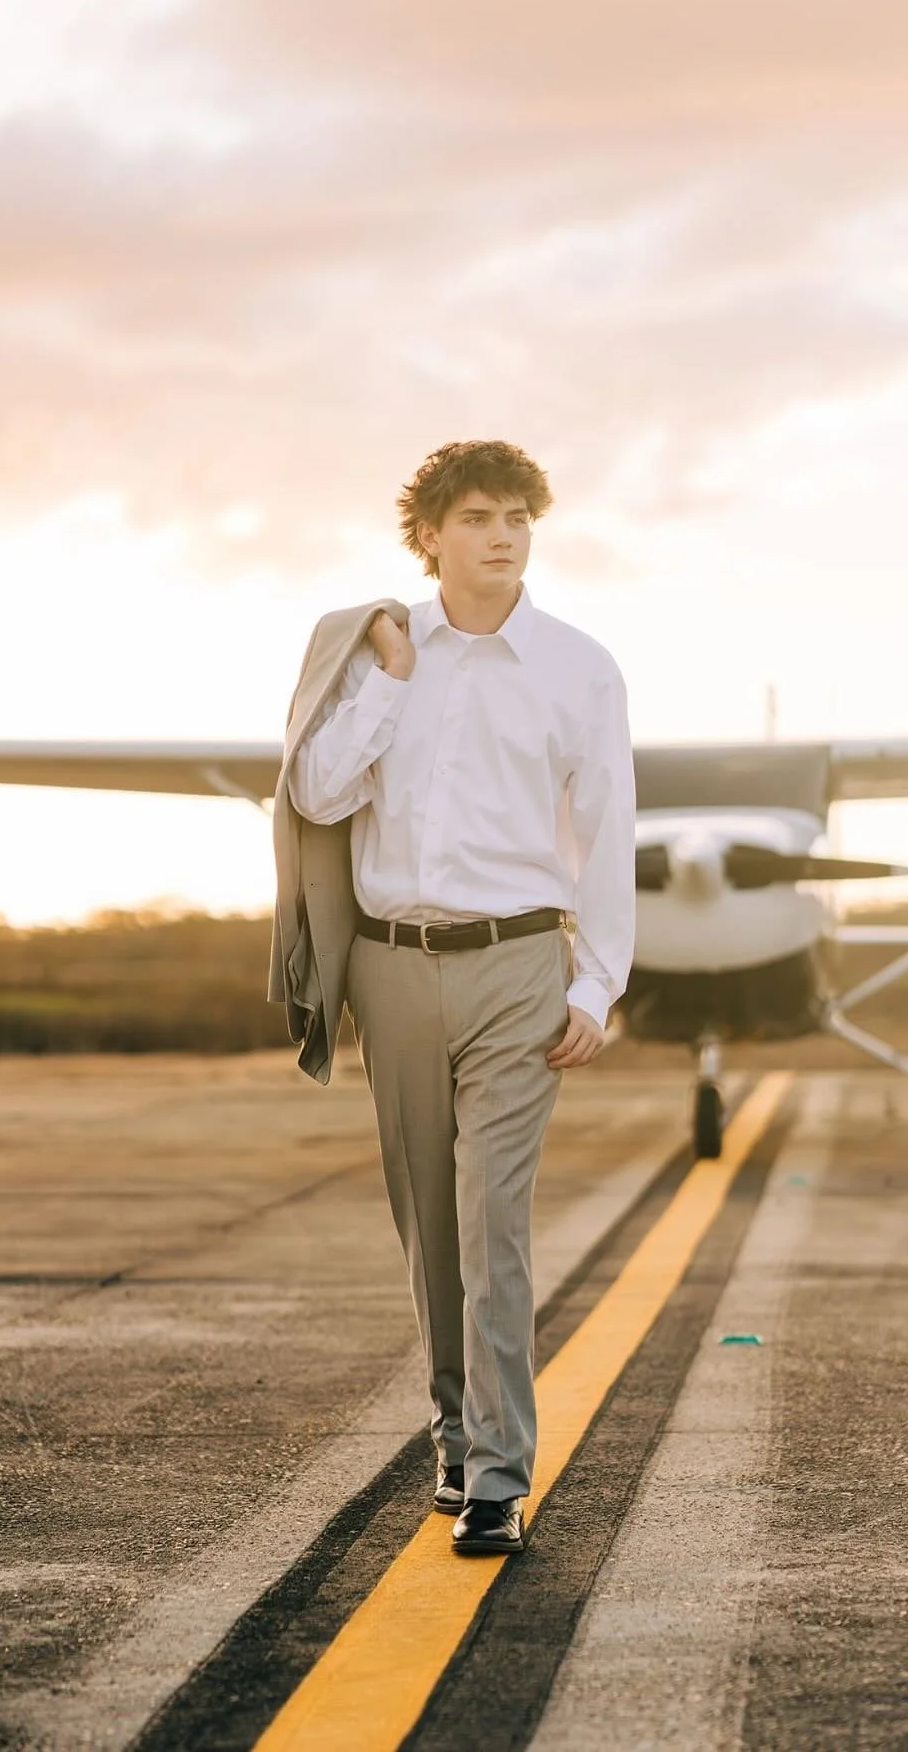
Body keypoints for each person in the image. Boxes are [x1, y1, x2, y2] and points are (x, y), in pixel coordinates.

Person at [288, 438, 635, 1555]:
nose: (502, 536)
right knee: (429, 1226)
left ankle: (496, 1475)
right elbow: (317, 792)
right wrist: (389, 682)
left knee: (493, 1221)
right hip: (389, 966)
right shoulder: (377, 654)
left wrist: (599, 982)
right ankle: (454, 1432)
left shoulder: (580, 668)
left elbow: (608, 834)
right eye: (478, 518)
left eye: (518, 518)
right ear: (429, 536)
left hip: (520, 966)